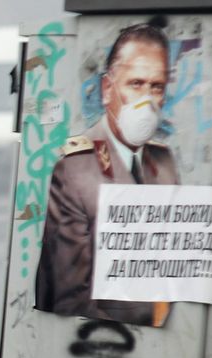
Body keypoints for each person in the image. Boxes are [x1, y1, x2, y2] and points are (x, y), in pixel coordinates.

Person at [34, 21, 179, 327]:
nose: (147, 101)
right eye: (136, 84)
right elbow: (71, 295)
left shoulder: (163, 162)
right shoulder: (77, 167)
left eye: (157, 88)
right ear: (107, 88)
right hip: (114, 345)